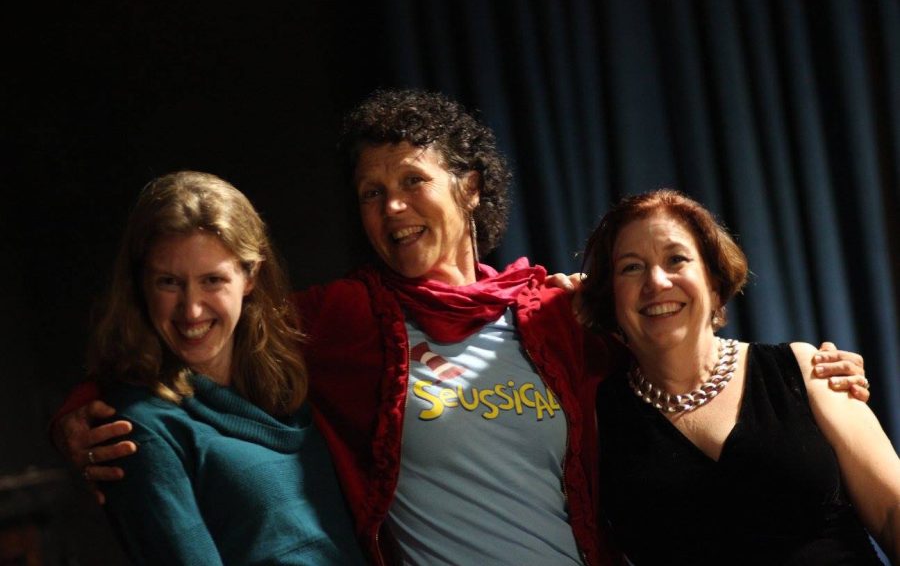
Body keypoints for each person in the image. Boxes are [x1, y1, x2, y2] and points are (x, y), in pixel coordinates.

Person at [53, 91, 871, 566]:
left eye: (412, 180)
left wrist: (813, 375)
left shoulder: (554, 311)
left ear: (470, 188)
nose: (392, 207)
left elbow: (682, 341)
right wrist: (84, 412)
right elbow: (202, 320)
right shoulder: (344, 320)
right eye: (371, 192)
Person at [578, 189, 900, 565]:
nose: (657, 282)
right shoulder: (597, 417)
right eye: (631, 267)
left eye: (676, 259)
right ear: (610, 297)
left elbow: (893, 513)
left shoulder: (804, 369)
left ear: (714, 285)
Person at [81, 171, 365, 565]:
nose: (191, 309)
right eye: (168, 282)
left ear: (250, 276)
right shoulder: (142, 429)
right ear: (140, 285)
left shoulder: (292, 386)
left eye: (212, 280)